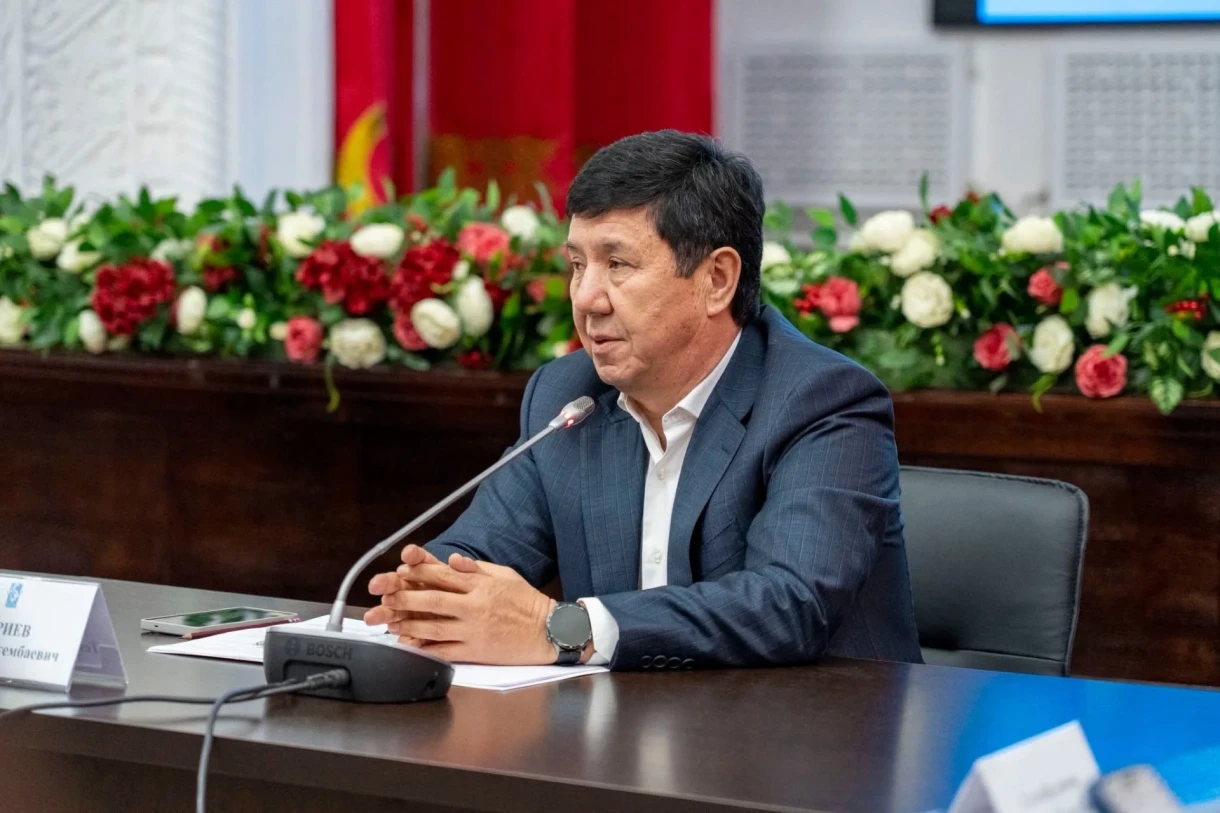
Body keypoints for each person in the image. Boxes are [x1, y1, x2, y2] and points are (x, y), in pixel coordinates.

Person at [364, 130, 922, 670]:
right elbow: (479, 553)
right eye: (577, 265)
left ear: (717, 279)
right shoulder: (569, 397)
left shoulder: (820, 401)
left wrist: (563, 628)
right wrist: (431, 594)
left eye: (617, 264)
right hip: (626, 725)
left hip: (810, 726)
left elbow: (788, 603)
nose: (586, 298)